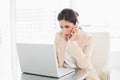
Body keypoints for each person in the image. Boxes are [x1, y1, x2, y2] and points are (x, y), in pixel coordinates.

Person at [54, 8, 100, 80]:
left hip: (84, 75)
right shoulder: (58, 35)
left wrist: (72, 42)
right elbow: (55, 60)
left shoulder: (88, 38)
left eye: (67, 26)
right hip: (65, 75)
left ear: (76, 25)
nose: (64, 31)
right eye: (61, 27)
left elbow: (83, 65)